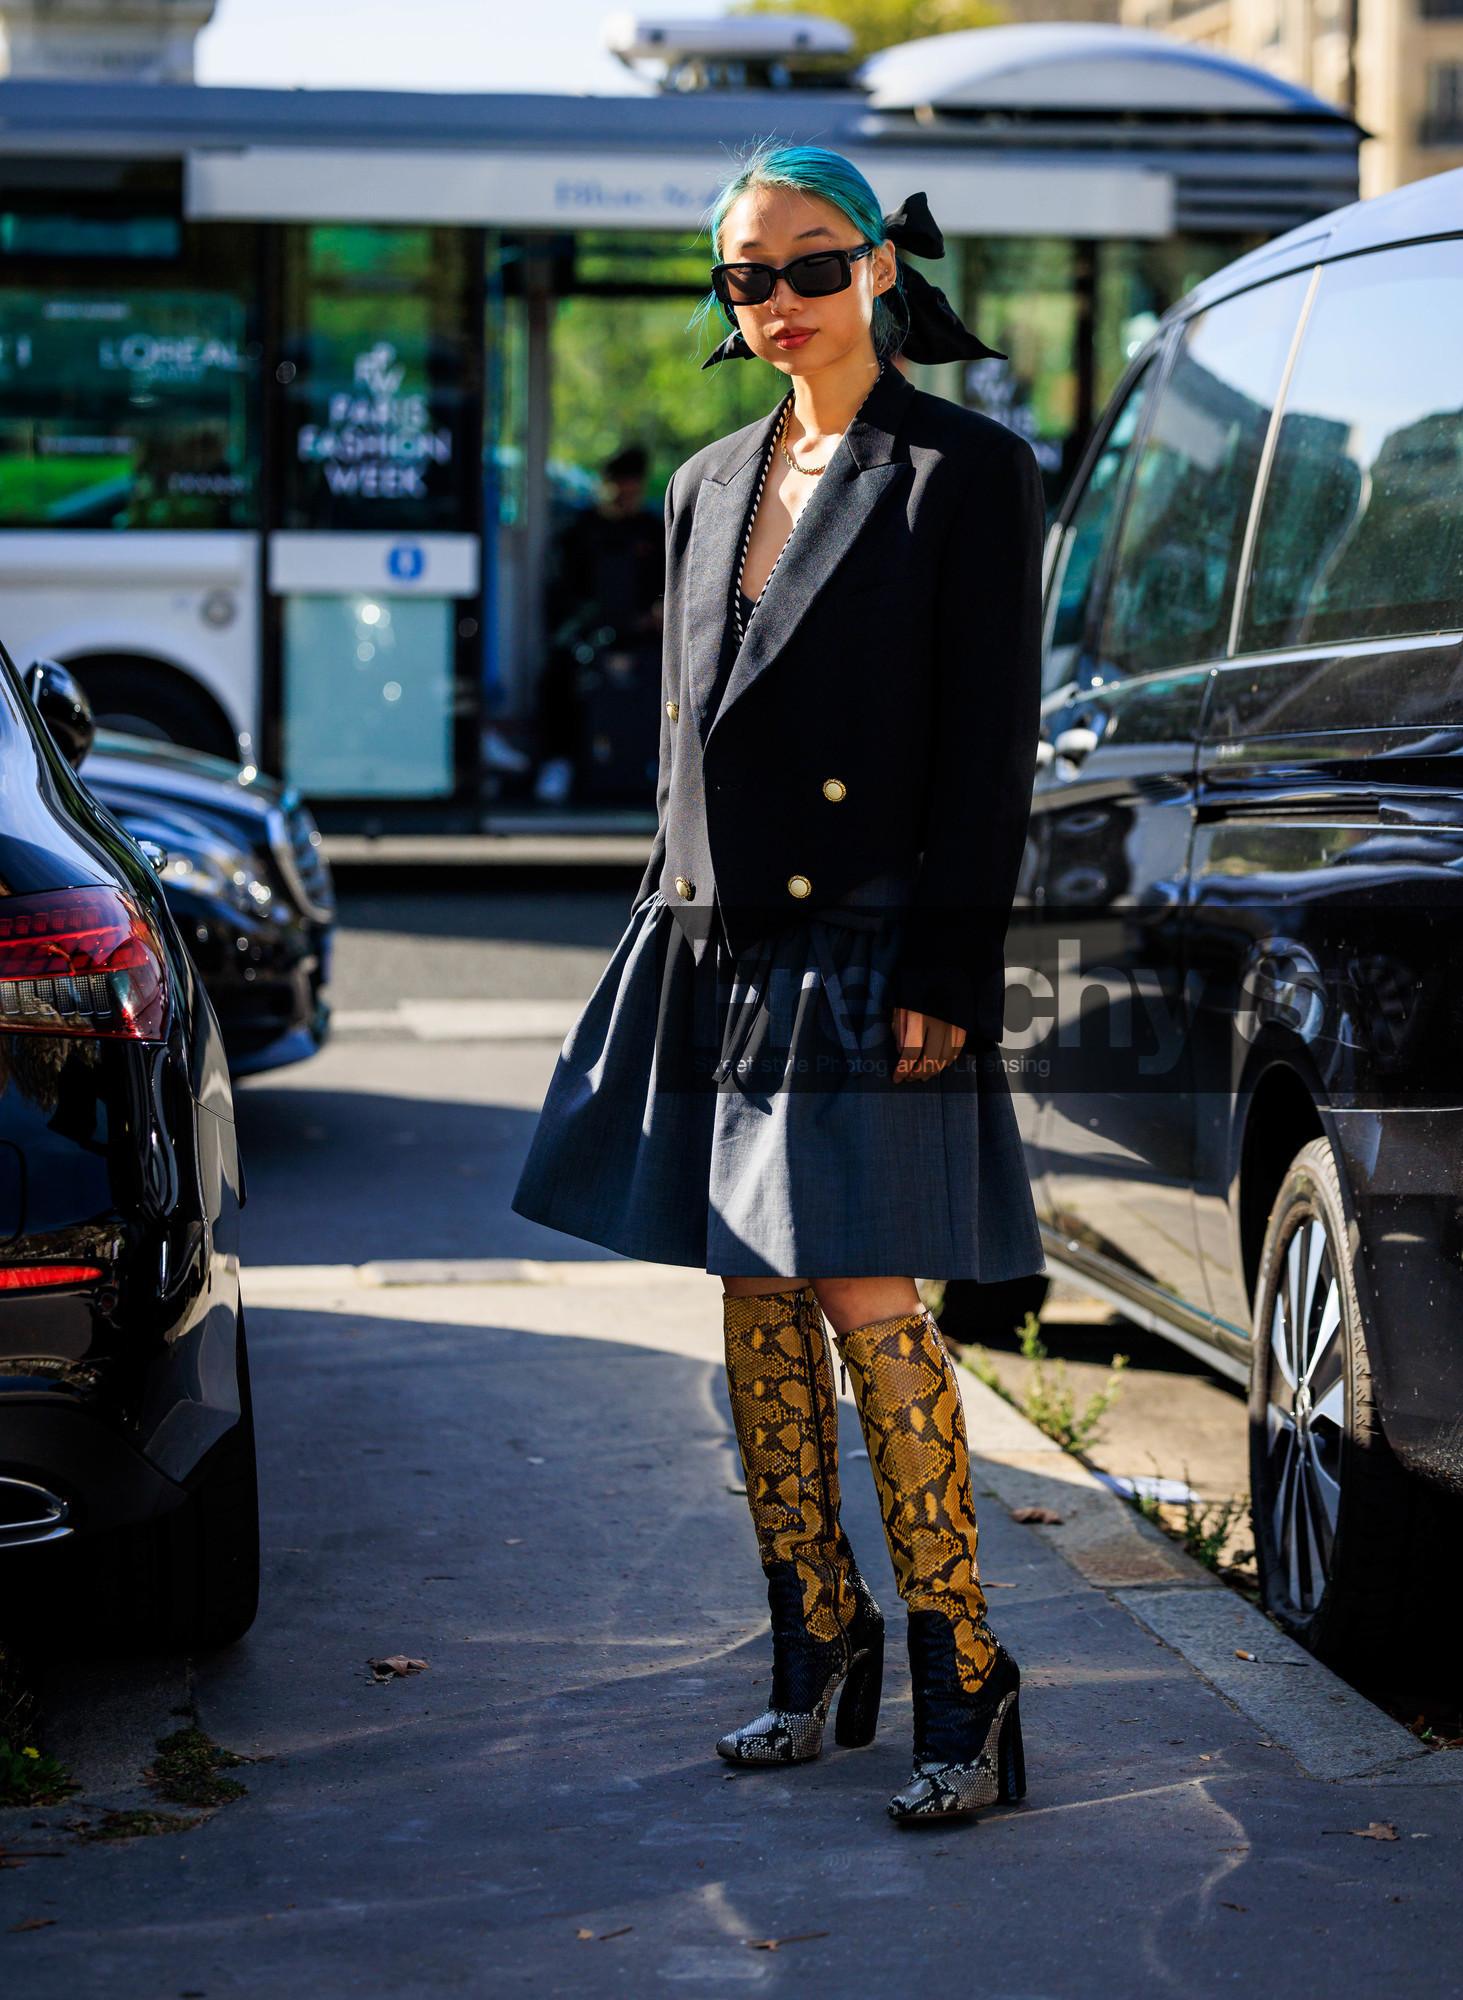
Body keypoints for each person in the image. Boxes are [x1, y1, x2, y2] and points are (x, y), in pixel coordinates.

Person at [513, 146, 1044, 1821]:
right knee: (749, 1301)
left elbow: (990, 748)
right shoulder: (704, 481)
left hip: (877, 937)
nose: (784, 303)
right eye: (750, 279)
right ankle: (817, 1648)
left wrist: (954, 959)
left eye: (814, 267)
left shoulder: (963, 472)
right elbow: (695, 734)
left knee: (867, 1296)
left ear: (884, 266)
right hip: (717, 939)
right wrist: (661, 915)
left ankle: (969, 1670)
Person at [535, 444, 667, 806]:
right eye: (618, 483)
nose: (625, 492)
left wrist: (655, 615)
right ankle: (559, 762)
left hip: (645, 638)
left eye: (632, 484)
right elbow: (563, 592)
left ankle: (659, 766)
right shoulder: (580, 531)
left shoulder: (653, 531)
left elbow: (671, 588)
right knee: (558, 673)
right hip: (589, 635)